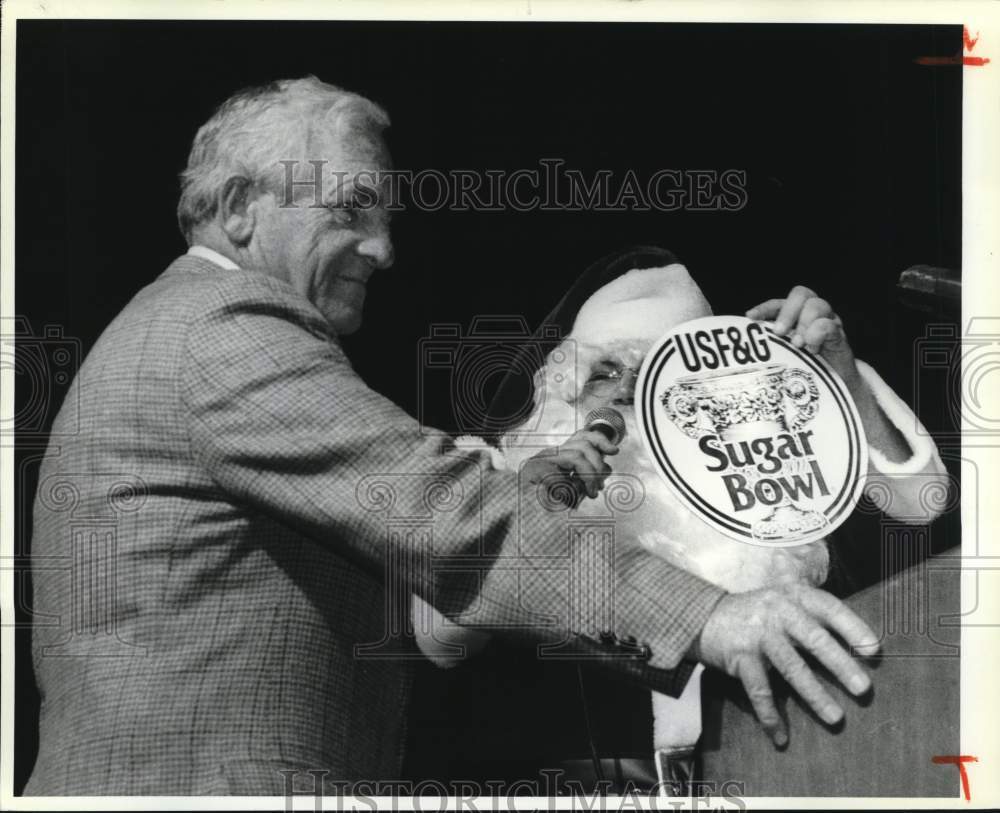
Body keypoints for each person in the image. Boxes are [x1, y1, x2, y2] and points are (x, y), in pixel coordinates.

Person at [26, 77, 881, 796]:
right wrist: (713, 616)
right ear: (246, 209)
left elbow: (429, 604)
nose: (385, 248)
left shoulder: (184, 329)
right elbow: (453, 519)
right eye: (355, 208)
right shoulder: (225, 325)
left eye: (388, 216)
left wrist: (535, 486)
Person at [410, 252, 948, 789]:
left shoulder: (761, 486)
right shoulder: (500, 476)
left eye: (648, 376)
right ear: (564, 389)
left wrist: (841, 382)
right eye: (604, 372)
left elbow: (919, 503)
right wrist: (523, 503)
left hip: (774, 773)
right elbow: (439, 641)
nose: (624, 392)